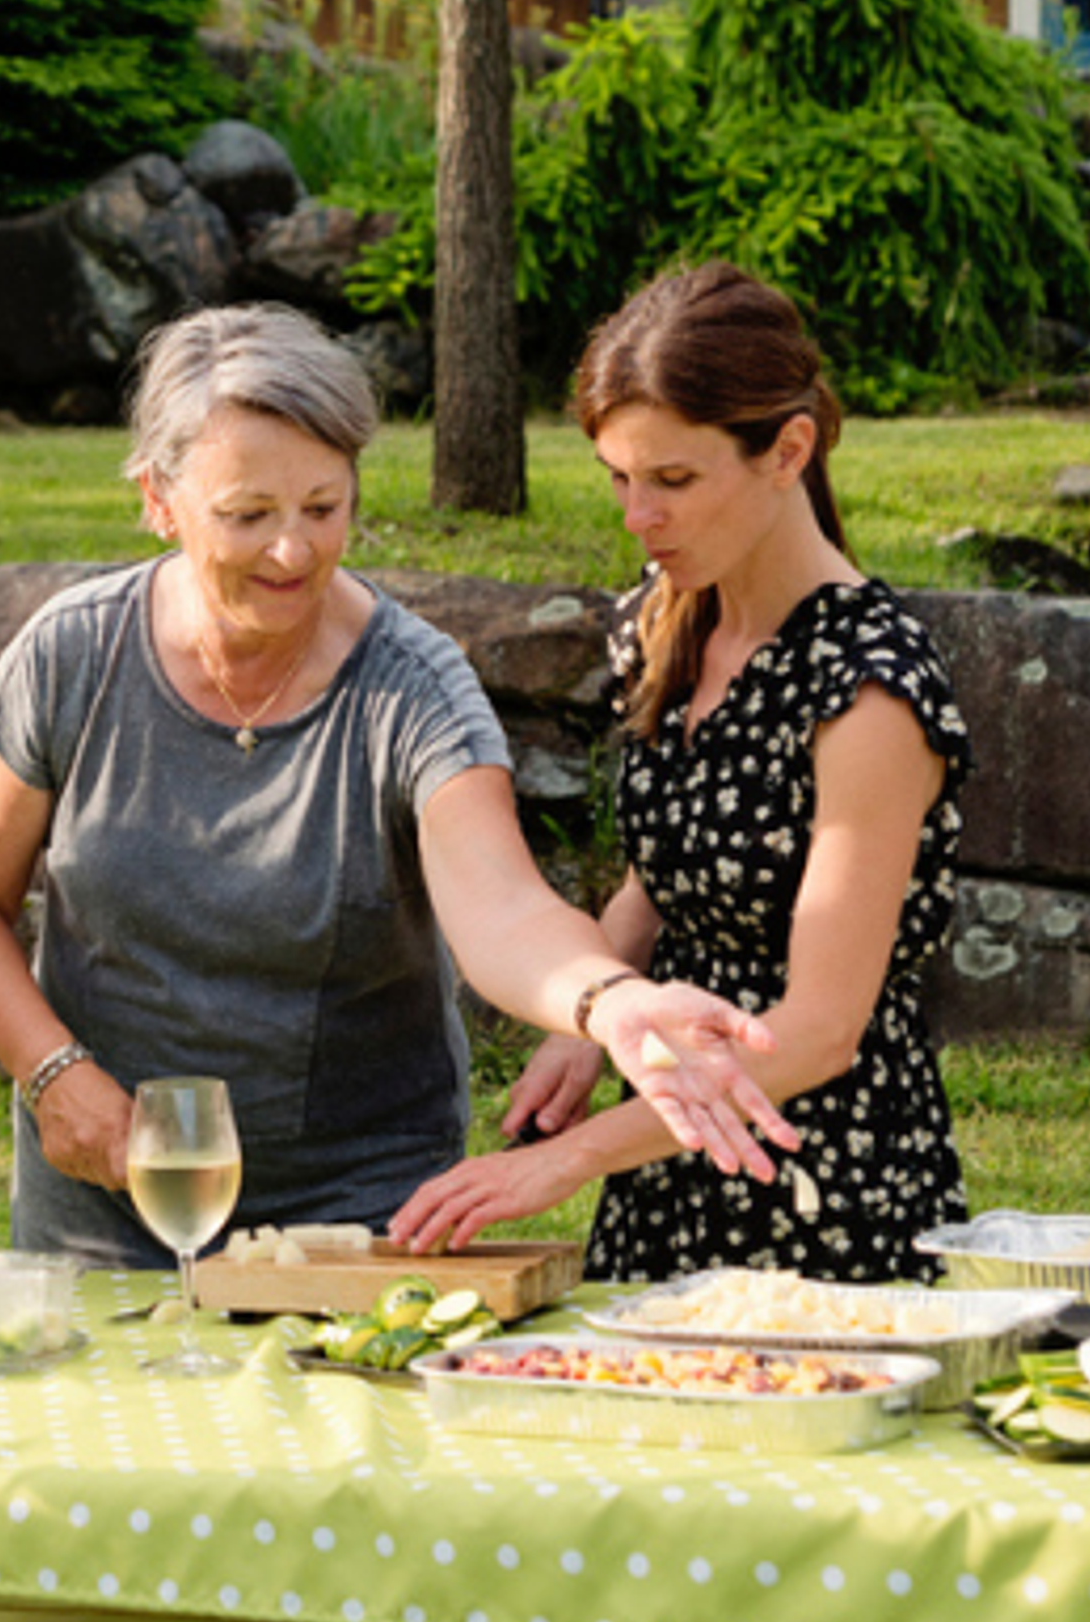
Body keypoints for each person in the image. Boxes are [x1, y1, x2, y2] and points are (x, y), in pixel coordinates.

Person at [0, 303, 799, 1271]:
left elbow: (502, 908)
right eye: (247, 514)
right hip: (102, 1209)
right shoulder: (72, 653)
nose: (293, 549)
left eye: (323, 506)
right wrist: (53, 1073)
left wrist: (607, 1000)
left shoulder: (414, 688)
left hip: (359, 1221)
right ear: (159, 499)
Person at [387, 266, 970, 1284]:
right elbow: (673, 864)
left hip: (820, 1169)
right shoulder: (663, 618)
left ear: (788, 449)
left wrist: (572, 1158)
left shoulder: (871, 686)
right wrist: (590, 1020)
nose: (636, 514)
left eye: (672, 480)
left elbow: (823, 1031)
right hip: (664, 1142)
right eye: (619, 477)